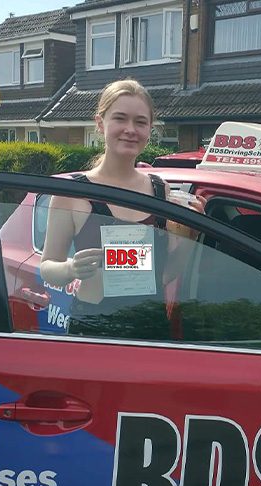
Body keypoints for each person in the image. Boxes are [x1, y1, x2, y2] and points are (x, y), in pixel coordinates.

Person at [40, 78, 204, 339]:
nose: (131, 129)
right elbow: (48, 266)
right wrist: (71, 268)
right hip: (94, 327)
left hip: (150, 326)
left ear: (150, 129)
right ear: (100, 123)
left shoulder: (161, 191)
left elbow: (165, 275)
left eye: (140, 122)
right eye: (120, 118)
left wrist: (190, 234)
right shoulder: (72, 193)